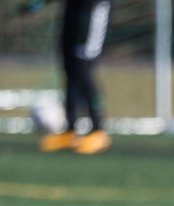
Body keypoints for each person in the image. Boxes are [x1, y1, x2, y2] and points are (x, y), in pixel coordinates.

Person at [21, 0, 113, 155]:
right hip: (73, 8)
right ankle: (70, 131)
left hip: (93, 8)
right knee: (69, 66)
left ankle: (98, 131)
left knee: (83, 66)